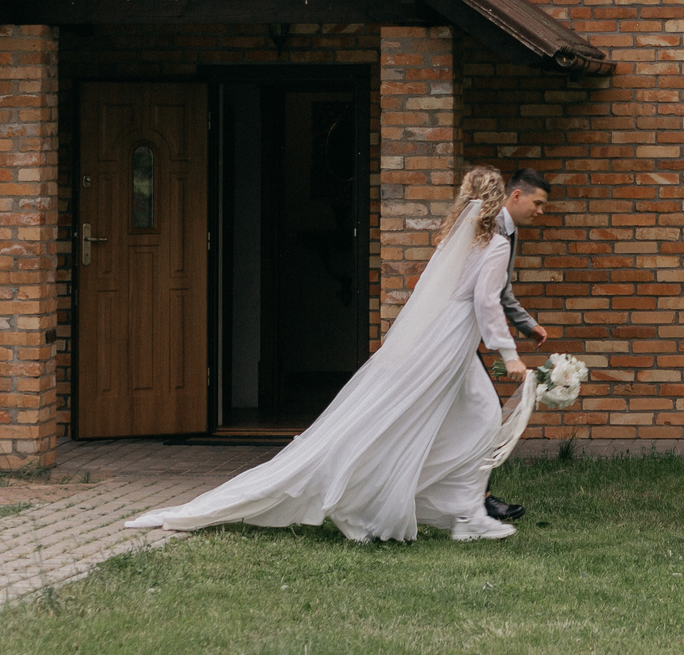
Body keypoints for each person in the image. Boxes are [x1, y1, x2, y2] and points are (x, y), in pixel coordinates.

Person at [124, 166, 534, 544]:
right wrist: (509, 353)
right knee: (467, 418)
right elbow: (486, 302)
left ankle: (458, 512)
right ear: (500, 201)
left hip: (435, 338)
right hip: (447, 344)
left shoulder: (454, 239)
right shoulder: (495, 244)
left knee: (464, 417)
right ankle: (448, 513)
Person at [483, 168, 554, 525]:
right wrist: (509, 355)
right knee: (482, 414)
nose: (540, 211)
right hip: (456, 338)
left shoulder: (508, 232)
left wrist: (526, 324)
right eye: (537, 203)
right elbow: (486, 297)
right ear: (516, 196)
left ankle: (474, 497)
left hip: (465, 341)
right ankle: (478, 500)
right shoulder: (490, 231)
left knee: (478, 415)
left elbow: (502, 289)